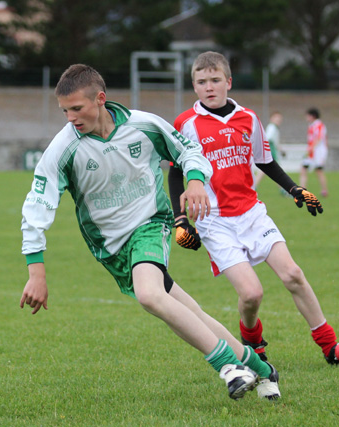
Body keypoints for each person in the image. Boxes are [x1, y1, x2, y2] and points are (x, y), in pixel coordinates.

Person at [20, 64, 281, 401]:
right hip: (112, 250)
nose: (70, 117)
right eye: (64, 110)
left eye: (77, 108)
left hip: (151, 224)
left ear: (100, 99)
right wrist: (35, 270)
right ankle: (262, 370)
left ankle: (230, 367)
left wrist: (196, 180)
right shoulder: (63, 149)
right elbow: (36, 206)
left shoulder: (143, 125)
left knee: (149, 295)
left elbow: (188, 150)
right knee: (188, 311)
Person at [168, 51, 339, 367]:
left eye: (215, 80)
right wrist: (181, 221)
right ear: (194, 85)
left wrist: (295, 190)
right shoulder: (185, 124)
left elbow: (265, 160)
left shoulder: (248, 118)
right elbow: (176, 171)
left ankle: (331, 347)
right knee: (251, 295)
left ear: (228, 82)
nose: (209, 87)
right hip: (215, 221)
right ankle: (251, 340)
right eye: (202, 81)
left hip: (252, 212)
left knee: (294, 275)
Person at [300, 108, 329, 197]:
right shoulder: (311, 125)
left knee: (319, 170)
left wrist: (312, 148)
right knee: (303, 168)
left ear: (312, 116)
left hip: (318, 151)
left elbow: (319, 138)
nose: (306, 118)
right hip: (311, 151)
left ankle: (324, 190)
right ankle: (302, 190)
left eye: (308, 115)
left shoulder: (319, 125)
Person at [253, 111, 284, 191]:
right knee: (275, 170)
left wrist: (280, 149)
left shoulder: (274, 128)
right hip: (271, 152)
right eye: (276, 118)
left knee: (270, 171)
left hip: (271, 151)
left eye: (279, 118)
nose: (278, 120)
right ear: (271, 118)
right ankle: (283, 189)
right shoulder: (272, 127)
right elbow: (269, 139)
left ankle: (282, 188)